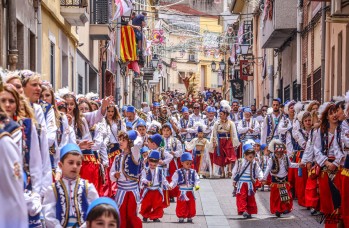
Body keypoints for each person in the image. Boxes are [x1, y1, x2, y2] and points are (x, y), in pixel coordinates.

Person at [43, 143, 99, 227]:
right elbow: (48, 215)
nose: (74, 166)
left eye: (78, 163)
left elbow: (95, 212)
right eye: (71, 162)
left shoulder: (88, 188)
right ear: (60, 165)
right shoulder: (53, 189)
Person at [313, 102, 344, 227]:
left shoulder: (343, 128)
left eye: (335, 112)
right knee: (328, 200)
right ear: (326, 116)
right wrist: (326, 162)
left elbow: (342, 150)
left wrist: (336, 163)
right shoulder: (321, 131)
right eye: (331, 113)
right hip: (326, 168)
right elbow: (316, 149)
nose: (334, 115)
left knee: (340, 198)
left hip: (340, 167)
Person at [0, 93, 28, 227]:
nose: (7, 105)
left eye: (11, 101)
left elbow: (13, 195)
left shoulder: (4, 140)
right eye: (3, 100)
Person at [110, 130, 143, 228]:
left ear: (129, 142)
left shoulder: (135, 154)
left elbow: (138, 143)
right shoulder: (117, 158)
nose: (120, 142)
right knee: (121, 214)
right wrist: (114, 175)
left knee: (131, 213)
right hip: (121, 190)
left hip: (132, 190)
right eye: (119, 139)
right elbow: (111, 174)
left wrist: (136, 134)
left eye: (123, 140)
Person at [262, 139, 300, 217]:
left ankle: (285, 208)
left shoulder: (285, 157)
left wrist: (299, 165)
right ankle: (277, 210)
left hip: (284, 180)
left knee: (285, 195)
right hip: (275, 180)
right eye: (277, 153)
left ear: (283, 152)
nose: (279, 155)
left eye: (281, 153)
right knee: (276, 197)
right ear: (275, 152)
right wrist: (264, 178)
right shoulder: (271, 159)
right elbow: (268, 169)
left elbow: (290, 165)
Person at [232, 143, 263, 219]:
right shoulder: (240, 162)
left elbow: (258, 171)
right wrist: (233, 180)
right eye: (249, 153)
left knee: (250, 198)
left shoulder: (255, 163)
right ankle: (244, 210)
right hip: (241, 183)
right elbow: (235, 171)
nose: (251, 155)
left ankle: (249, 211)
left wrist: (261, 178)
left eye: (252, 153)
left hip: (250, 184)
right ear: (245, 155)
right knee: (242, 197)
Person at [211, 100, 240, 178]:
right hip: (220, 140)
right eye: (219, 114)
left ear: (225, 115)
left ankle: (229, 170)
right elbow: (214, 133)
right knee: (221, 156)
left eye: (221, 114)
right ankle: (223, 172)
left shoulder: (231, 123)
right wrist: (214, 142)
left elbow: (234, 133)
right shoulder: (217, 123)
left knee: (229, 155)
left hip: (228, 140)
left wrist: (235, 143)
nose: (220, 116)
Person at [169, 152, 200, 223]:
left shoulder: (193, 172)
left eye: (190, 163)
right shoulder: (178, 172)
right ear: (182, 163)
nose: (189, 165)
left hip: (190, 191)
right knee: (181, 204)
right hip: (182, 191)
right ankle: (181, 216)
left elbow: (196, 179)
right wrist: (171, 185)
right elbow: (174, 180)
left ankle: (190, 216)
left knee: (191, 204)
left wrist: (197, 185)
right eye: (187, 163)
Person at [140, 150, 169, 223]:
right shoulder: (145, 170)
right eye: (151, 163)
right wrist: (146, 181)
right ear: (148, 161)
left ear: (157, 162)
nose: (152, 165)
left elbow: (163, 179)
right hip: (148, 190)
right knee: (146, 204)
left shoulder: (160, 170)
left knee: (158, 204)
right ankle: (145, 215)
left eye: (154, 164)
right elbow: (142, 178)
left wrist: (168, 185)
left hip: (157, 189)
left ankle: (155, 216)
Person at [161, 123, 182, 202]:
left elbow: (180, 151)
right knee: (163, 177)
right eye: (164, 130)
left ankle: (171, 194)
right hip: (163, 160)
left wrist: (175, 153)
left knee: (171, 177)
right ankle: (164, 193)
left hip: (172, 161)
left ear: (170, 131)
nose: (166, 132)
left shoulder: (175, 140)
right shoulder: (160, 140)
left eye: (167, 130)